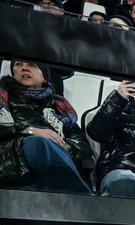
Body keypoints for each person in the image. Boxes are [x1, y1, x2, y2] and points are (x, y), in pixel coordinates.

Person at [0, 60, 92, 194]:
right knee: (38, 143)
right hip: (12, 162)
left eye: (32, 65)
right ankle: (86, 202)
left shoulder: (60, 108)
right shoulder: (3, 98)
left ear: (44, 76)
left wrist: (62, 146)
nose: (24, 68)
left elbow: (84, 147)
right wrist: (28, 130)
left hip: (52, 170)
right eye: (18, 64)